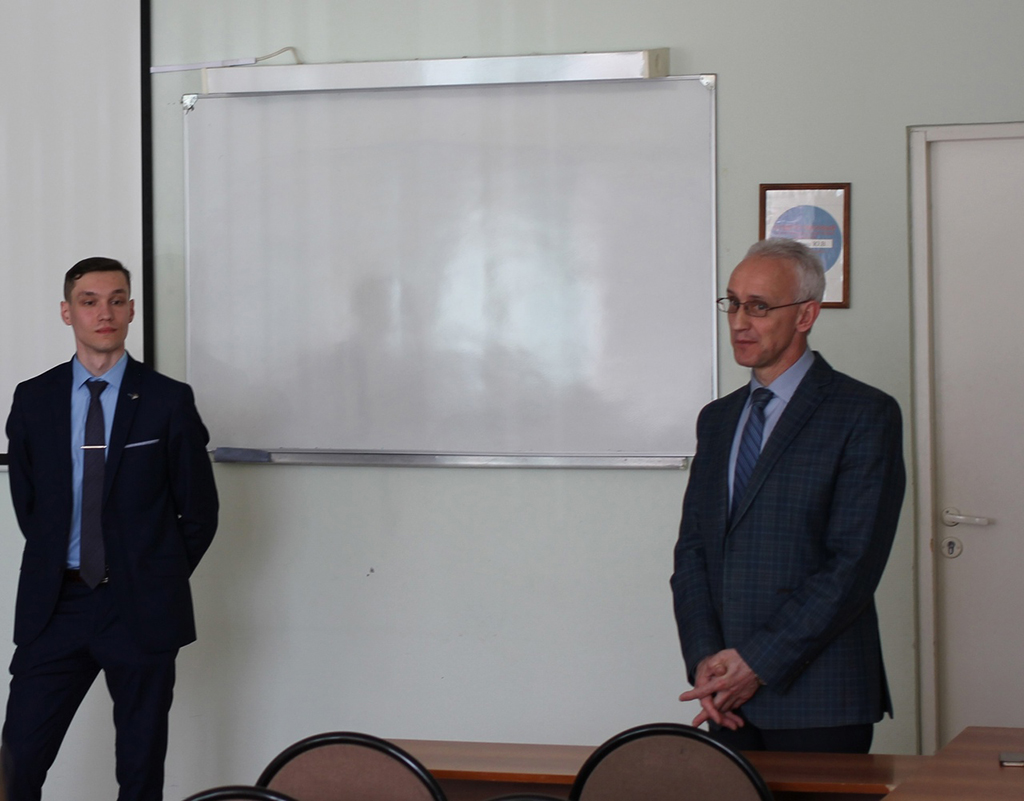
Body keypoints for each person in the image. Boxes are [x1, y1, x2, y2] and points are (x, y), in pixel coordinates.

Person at [671, 238, 905, 753]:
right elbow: (692, 552)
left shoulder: (864, 414)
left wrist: (756, 662)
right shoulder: (717, 420)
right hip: (726, 697)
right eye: (733, 303)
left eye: (758, 307)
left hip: (820, 698)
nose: (739, 322)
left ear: (805, 315)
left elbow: (853, 565)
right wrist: (706, 660)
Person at [2, 257, 219, 800]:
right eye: (90, 301)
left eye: (117, 300)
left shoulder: (167, 400)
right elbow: (31, 504)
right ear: (67, 312)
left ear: (131, 310)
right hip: (56, 604)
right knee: (17, 761)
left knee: (140, 771)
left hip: (139, 607)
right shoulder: (34, 399)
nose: (105, 313)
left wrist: (154, 575)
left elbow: (199, 511)